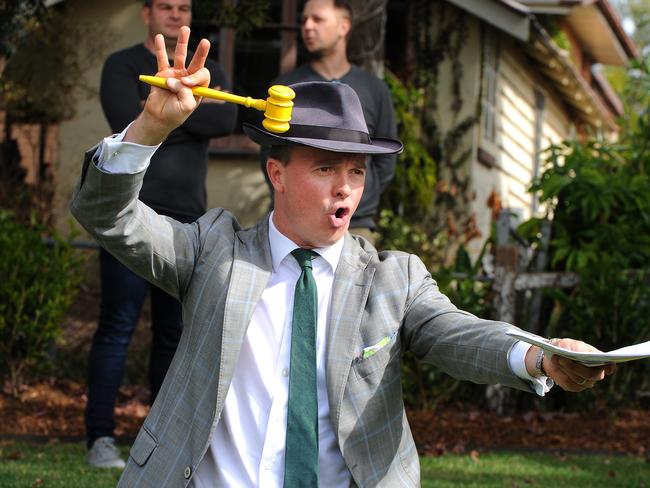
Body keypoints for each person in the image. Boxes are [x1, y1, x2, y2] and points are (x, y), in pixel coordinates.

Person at [71, 27, 615, 487]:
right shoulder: (213, 251)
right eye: (326, 168)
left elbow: (459, 333)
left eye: (356, 171)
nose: (346, 189)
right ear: (277, 173)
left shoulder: (394, 278)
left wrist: (540, 355)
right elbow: (108, 216)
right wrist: (151, 129)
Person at [86, 0, 237, 469]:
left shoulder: (204, 71)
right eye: (166, 7)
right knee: (118, 326)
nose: (176, 15)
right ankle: (100, 438)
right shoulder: (123, 65)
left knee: (174, 334)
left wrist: (163, 114)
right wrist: (176, 117)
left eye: (185, 7)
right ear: (146, 14)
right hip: (132, 215)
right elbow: (122, 125)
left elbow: (225, 120)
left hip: (186, 221)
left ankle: (161, 436)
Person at [260, 0, 398, 244]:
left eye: (318, 19)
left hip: (356, 225)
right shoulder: (286, 87)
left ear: (344, 26)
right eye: (303, 20)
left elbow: (386, 162)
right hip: (295, 225)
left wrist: (362, 197)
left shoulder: (375, 89)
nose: (307, 27)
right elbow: (269, 151)